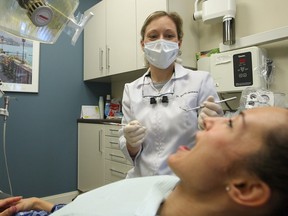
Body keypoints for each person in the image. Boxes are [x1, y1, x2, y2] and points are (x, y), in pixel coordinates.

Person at [2, 106, 287, 216]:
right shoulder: (167, 188)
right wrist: (42, 206)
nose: (209, 120)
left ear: (246, 188)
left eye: (232, 124)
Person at [119, 10, 223, 178]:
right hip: (142, 181)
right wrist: (131, 142)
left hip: (186, 181)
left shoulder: (200, 80)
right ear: (143, 44)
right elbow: (130, 151)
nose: (161, 42)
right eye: (153, 36)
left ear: (179, 43)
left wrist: (213, 126)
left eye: (168, 36)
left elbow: (216, 143)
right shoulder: (131, 89)